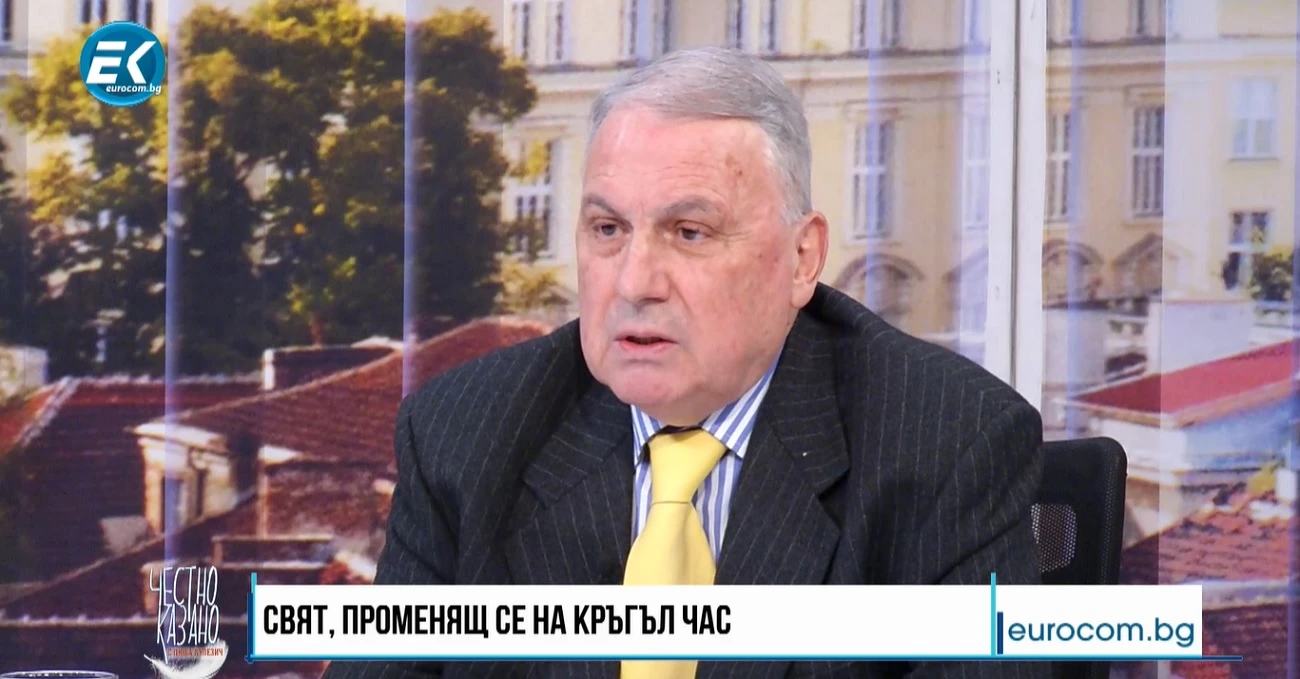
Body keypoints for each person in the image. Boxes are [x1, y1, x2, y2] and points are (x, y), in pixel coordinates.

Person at [324, 47, 1046, 679]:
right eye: (608, 228)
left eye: (689, 232)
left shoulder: (945, 444)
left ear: (802, 258)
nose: (635, 281)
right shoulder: (465, 438)